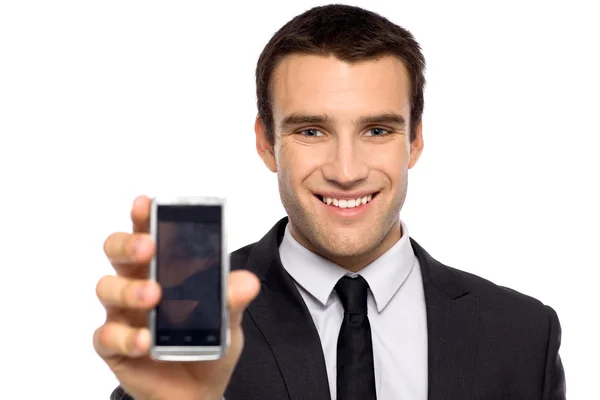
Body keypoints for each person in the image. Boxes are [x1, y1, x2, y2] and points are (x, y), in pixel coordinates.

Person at [94, 4, 567, 400]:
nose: (346, 171)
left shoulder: (523, 334)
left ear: (416, 141)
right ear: (265, 143)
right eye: (311, 131)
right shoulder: (191, 324)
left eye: (377, 130)